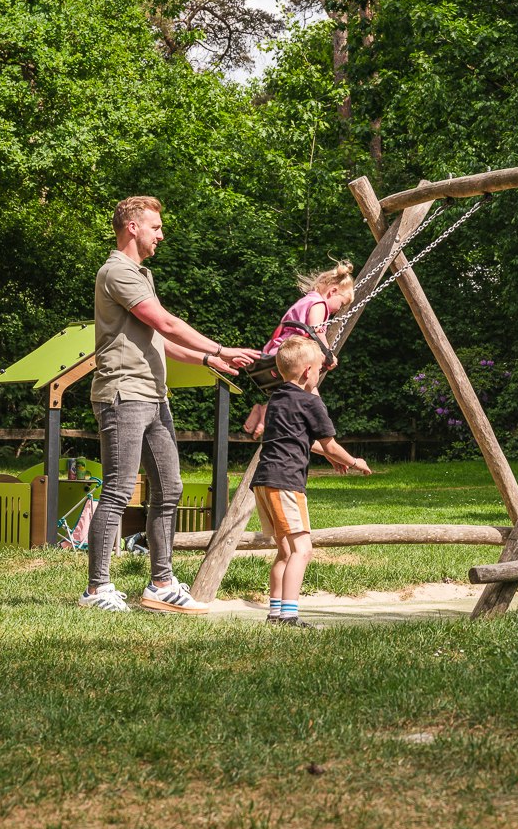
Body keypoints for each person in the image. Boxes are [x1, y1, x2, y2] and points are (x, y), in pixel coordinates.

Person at [83, 195, 261, 615]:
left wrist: (207, 359)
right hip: (124, 394)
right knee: (118, 490)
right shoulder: (117, 272)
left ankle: (160, 583)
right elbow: (166, 322)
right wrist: (220, 345)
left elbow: (158, 340)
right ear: (132, 228)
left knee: (170, 488)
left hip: (153, 396)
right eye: (156, 227)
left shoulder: (140, 274)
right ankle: (97, 589)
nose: (161, 235)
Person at [251, 334, 371, 627]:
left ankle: (276, 613)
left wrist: (330, 455)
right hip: (286, 481)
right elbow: (329, 444)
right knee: (303, 550)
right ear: (308, 372)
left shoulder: (277, 397)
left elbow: (299, 439)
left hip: (265, 480)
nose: (319, 373)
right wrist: (354, 462)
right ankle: (290, 615)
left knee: (285, 550)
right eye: (318, 369)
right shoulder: (310, 402)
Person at [242, 262, 356, 436]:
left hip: (278, 353)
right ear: (332, 292)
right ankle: (326, 440)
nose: (338, 310)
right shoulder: (319, 304)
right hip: (293, 354)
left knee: (290, 395)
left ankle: (262, 409)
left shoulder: (305, 300)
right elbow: (317, 331)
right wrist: (328, 355)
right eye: (341, 304)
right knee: (314, 403)